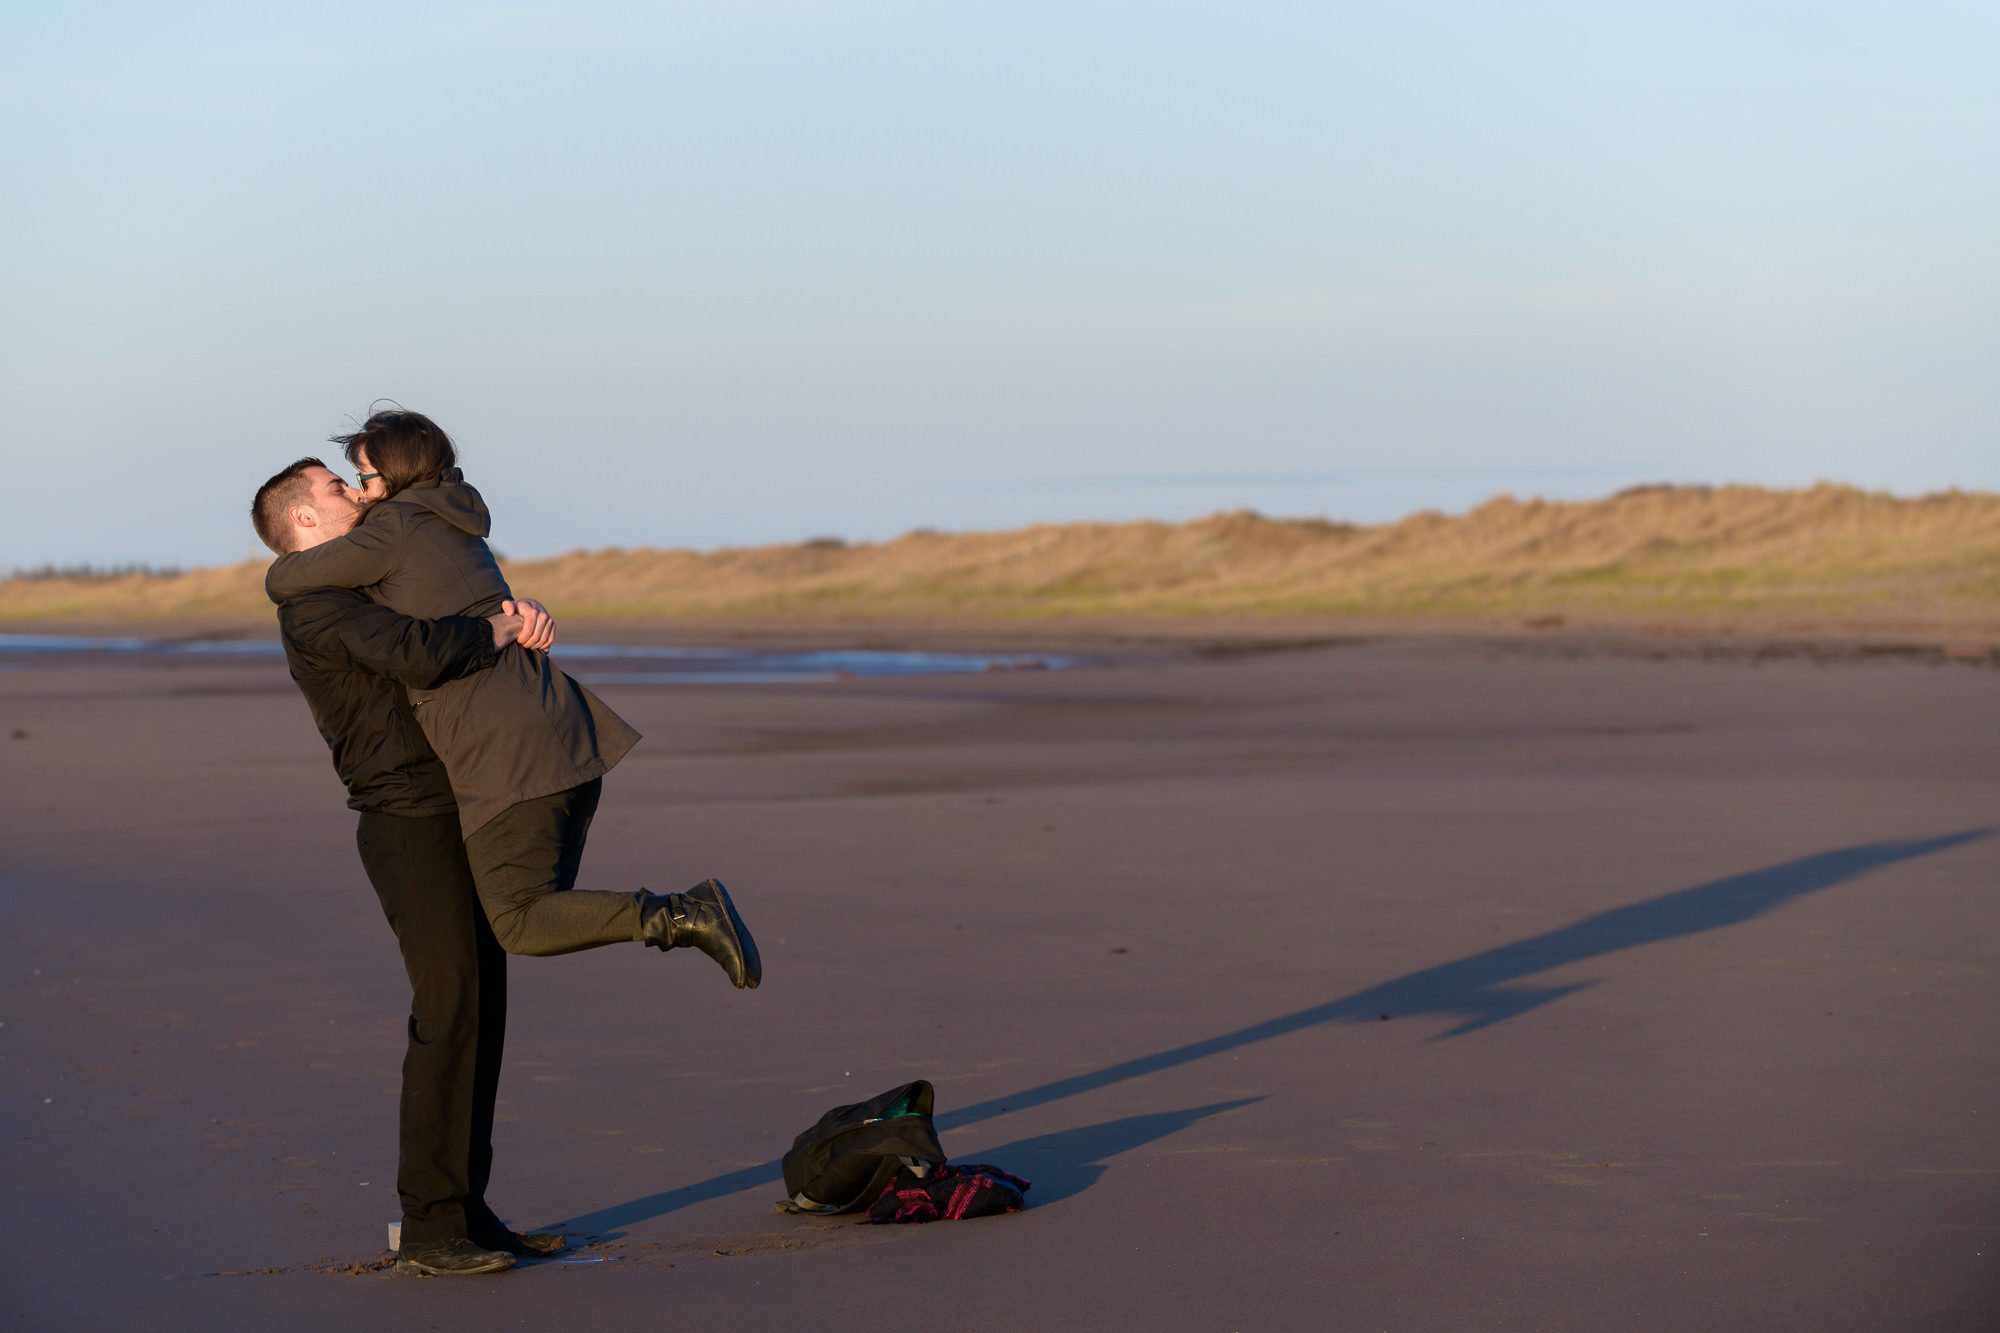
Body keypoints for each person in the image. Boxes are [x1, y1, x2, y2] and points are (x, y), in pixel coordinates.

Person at [261, 411, 760, 986]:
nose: (358, 489)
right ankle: (680, 915)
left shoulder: (394, 523)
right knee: (538, 906)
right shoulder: (448, 514)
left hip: (507, 743)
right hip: (558, 730)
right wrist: (512, 613)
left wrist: (500, 620)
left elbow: (286, 579)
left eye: (364, 475)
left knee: (519, 921)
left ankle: (685, 914)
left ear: (397, 476)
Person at [251, 456, 561, 1276]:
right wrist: (497, 625)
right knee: (448, 1009)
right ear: (306, 523)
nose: (356, 493)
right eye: (336, 488)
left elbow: (445, 615)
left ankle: (468, 1209)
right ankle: (429, 1225)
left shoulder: (362, 583)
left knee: (480, 1010)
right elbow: (419, 652)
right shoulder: (314, 606)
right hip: (405, 822)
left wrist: (516, 614)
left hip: (456, 807)